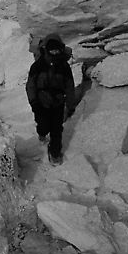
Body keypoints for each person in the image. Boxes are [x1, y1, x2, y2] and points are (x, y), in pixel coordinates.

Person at [26, 33, 76, 165]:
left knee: (56, 130)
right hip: (41, 103)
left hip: (58, 102)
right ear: (46, 49)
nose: (55, 51)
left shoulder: (64, 66)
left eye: (57, 49)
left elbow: (69, 86)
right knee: (43, 125)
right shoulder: (38, 66)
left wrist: (70, 105)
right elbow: (31, 85)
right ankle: (42, 133)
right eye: (52, 49)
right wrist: (33, 102)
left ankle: (54, 153)